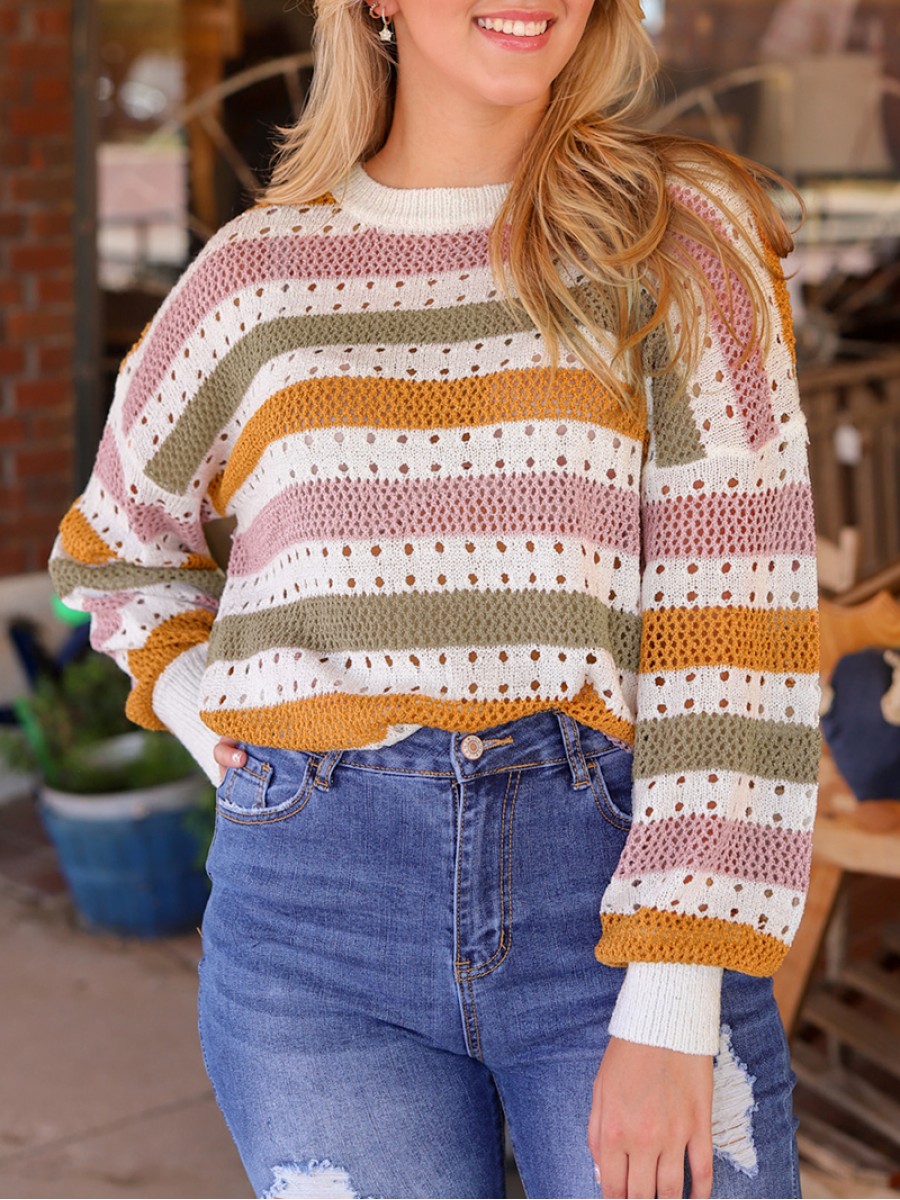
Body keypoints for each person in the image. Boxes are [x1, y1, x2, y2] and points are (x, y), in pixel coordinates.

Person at [50, 1, 821, 1197]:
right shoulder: (256, 275)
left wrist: (673, 996)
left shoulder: (674, 239)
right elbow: (115, 549)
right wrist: (217, 722)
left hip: (612, 892)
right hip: (313, 918)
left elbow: (737, 632)